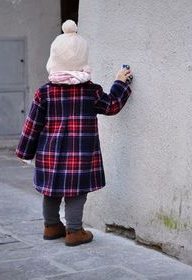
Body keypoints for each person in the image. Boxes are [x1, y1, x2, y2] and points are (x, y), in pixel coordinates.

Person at [15, 20, 132, 246]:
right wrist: (120, 83)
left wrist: (24, 152)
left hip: (49, 154)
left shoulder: (44, 93)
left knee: (51, 192)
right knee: (76, 192)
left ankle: (51, 226)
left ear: (54, 60)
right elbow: (113, 105)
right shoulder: (91, 92)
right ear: (83, 60)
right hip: (80, 155)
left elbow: (32, 125)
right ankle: (75, 231)